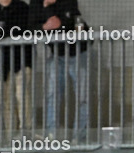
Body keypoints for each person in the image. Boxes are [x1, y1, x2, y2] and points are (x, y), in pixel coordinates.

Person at [28, 0, 91, 140]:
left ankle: (79, 137)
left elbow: (64, 23)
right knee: (52, 94)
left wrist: (52, 15)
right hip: (56, 54)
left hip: (78, 53)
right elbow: (31, 27)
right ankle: (52, 135)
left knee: (83, 96)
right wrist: (45, 11)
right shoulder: (36, 3)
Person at [0, 0, 31, 134]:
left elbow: (21, 29)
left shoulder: (22, 7)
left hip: (22, 60)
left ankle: (26, 133)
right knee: (6, 100)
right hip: (1, 63)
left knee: (22, 97)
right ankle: (10, 135)